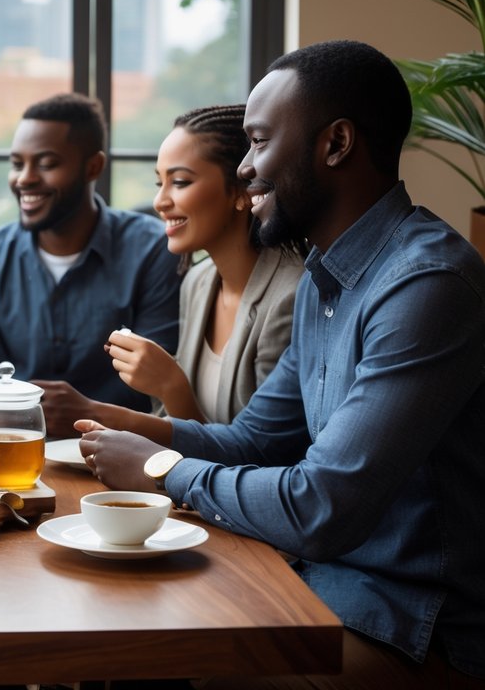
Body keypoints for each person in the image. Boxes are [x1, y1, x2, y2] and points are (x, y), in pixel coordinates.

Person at [78, 40, 485, 687]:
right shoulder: (325, 279)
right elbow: (256, 440)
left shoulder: (425, 285)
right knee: (109, 630)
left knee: (160, 663)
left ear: (335, 144)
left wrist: (159, 467)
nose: (243, 169)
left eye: (259, 142)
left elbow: (321, 506)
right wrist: (109, 424)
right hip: (316, 586)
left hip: (411, 628)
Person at [61, 104, 305, 441]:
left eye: (179, 182)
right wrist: (98, 418)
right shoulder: (198, 282)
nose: (160, 201)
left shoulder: (291, 297)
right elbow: (172, 424)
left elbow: (258, 454)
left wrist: (171, 386)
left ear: (239, 191)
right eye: (159, 183)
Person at [0, 92, 183, 437]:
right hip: (14, 443)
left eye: (46, 164)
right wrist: (29, 409)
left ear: (93, 167)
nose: (25, 179)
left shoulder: (153, 249)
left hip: (124, 449)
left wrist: (83, 413)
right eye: (17, 164)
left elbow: (157, 374)